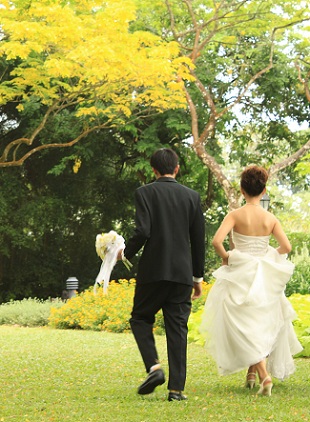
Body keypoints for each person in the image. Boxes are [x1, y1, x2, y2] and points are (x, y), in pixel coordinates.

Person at [200, 165, 302, 396]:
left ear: (241, 189)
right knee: (259, 323)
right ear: (264, 190)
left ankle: (264, 376)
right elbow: (286, 247)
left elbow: (217, 241)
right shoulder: (270, 218)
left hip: (240, 273)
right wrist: (266, 257)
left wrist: (227, 258)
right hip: (263, 276)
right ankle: (251, 374)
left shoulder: (235, 215)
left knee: (243, 325)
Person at [121, 148, 205, 402]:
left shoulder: (144, 193)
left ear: (153, 170)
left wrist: (125, 253)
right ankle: (176, 390)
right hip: (181, 273)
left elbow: (143, 231)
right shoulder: (192, 197)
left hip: (153, 271)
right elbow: (197, 240)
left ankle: (154, 368)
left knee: (140, 318)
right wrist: (197, 278)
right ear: (176, 168)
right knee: (178, 328)